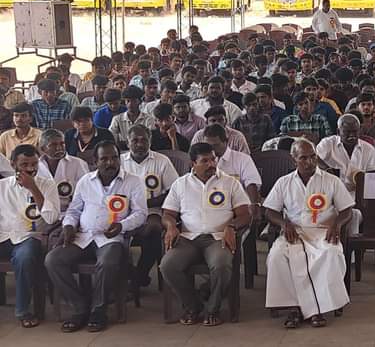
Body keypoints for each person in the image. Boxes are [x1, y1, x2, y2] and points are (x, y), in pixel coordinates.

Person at [46, 141, 146, 333]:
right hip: (83, 236)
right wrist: (68, 226)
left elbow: (141, 213)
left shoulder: (132, 181)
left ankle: (98, 311)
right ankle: (79, 308)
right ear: (95, 162)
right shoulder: (85, 181)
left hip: (111, 238)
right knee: (53, 260)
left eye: (114, 158)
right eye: (104, 159)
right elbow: (74, 210)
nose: (110, 162)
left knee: (107, 262)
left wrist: (121, 225)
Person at [263, 138, 354, 328]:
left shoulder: (331, 181)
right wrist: (284, 222)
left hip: (323, 232)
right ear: (293, 159)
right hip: (294, 232)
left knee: (329, 254)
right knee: (276, 256)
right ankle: (294, 308)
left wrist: (337, 224)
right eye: (303, 158)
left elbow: (347, 210)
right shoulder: (284, 182)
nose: (309, 162)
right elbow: (270, 210)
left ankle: (319, 309)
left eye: (313, 157)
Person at [160, 142, 251, 327]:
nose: (211, 164)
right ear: (193, 163)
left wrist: (232, 226)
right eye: (205, 161)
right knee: (167, 265)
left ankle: (213, 309)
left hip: (218, 237)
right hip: (188, 238)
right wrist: (170, 226)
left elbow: (245, 214)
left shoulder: (229, 182)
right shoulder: (181, 184)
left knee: (221, 264)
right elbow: (168, 214)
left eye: (213, 160)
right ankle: (193, 306)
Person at [0, 144, 60, 328]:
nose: (30, 169)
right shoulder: (2, 186)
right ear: (12, 164)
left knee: (24, 258)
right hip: (3, 236)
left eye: (34, 164)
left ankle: (22, 310)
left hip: (29, 237)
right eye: (24, 164)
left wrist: (34, 188)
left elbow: (51, 218)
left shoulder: (47, 185)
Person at [121, 125, 180, 288]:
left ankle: (139, 275)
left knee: (153, 231)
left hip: (152, 210)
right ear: (127, 142)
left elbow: (174, 191)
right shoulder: (119, 161)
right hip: (122, 211)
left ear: (150, 141)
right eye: (135, 140)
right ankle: (130, 275)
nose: (139, 144)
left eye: (144, 140)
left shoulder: (161, 161)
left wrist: (146, 204)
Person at [315, 114, 375, 236]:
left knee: (354, 215)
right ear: (338, 131)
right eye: (347, 132)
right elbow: (313, 160)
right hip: (328, 197)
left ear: (360, 130)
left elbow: (372, 181)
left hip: (355, 198)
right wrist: (326, 169)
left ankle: (349, 253)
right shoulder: (327, 144)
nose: (352, 136)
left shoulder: (369, 150)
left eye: (355, 132)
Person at [37, 129, 89, 209]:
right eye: (53, 145)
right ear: (43, 148)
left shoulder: (78, 164)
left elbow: (86, 192)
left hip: (71, 212)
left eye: (62, 144)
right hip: (43, 212)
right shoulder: (36, 166)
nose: (59, 148)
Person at [108, 86, 153, 150]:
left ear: (140, 101)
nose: (130, 104)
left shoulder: (148, 119)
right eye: (128, 101)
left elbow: (149, 140)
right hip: (123, 152)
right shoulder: (117, 119)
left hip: (143, 150)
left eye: (134, 101)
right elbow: (112, 138)